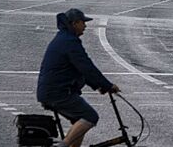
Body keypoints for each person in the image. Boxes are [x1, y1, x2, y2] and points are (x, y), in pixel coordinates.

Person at [37, 9, 120, 147]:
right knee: (90, 116)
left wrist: (99, 85)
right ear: (75, 23)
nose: (85, 26)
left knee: (79, 120)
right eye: (83, 22)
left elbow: (80, 70)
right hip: (58, 93)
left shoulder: (64, 38)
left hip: (51, 92)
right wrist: (107, 85)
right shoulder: (70, 42)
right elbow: (87, 67)